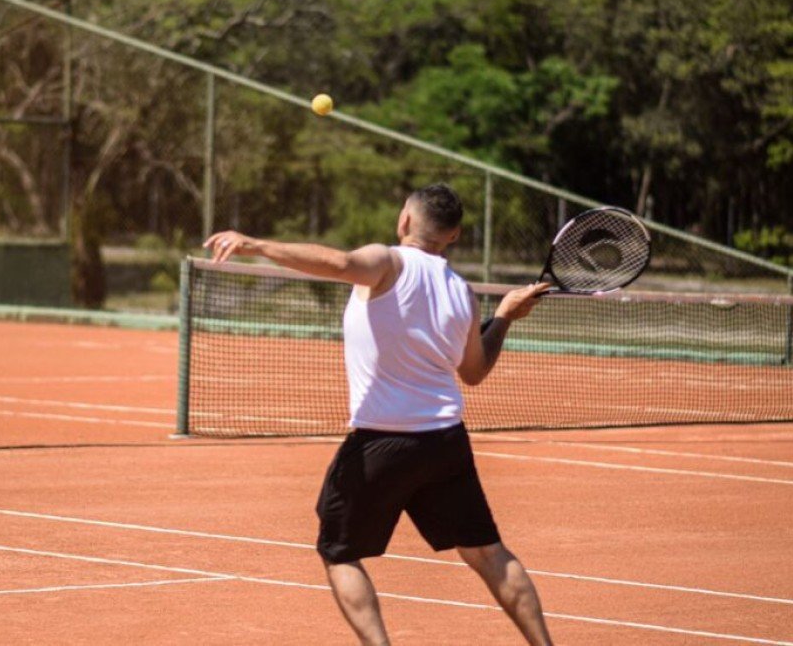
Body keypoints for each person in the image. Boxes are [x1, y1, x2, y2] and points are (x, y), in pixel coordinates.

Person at [204, 183, 554, 646]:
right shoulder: (462, 292)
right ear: (453, 235)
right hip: (445, 443)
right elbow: (474, 372)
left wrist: (256, 244)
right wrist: (504, 318)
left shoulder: (388, 262)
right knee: (488, 553)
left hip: (380, 444)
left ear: (404, 221)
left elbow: (339, 263)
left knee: (338, 551)